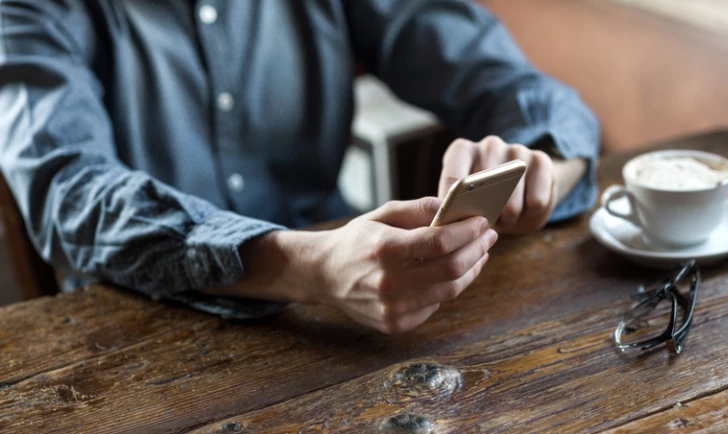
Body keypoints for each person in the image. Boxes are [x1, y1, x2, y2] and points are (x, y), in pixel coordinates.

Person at [0, 0, 599, 334]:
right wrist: (305, 267)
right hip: (135, 329)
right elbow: (70, 195)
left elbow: (507, 81)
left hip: (343, 315)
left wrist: (540, 165)